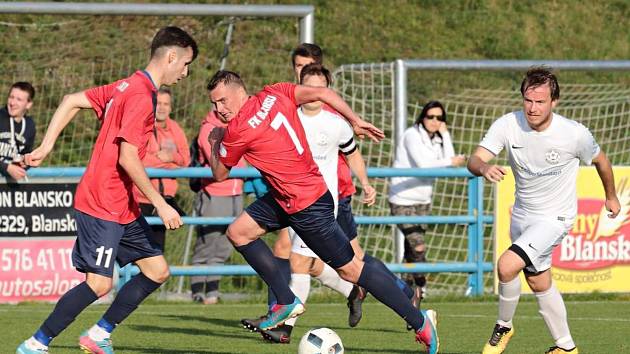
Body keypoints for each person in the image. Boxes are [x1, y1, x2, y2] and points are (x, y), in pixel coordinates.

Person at [206, 69, 439, 353]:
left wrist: (214, 140)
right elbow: (323, 93)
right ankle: (286, 300)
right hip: (292, 195)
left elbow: (218, 173)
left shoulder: (237, 130)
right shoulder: (274, 91)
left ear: (238, 91)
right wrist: (354, 120)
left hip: (307, 206)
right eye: (214, 104)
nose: (218, 109)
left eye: (222, 101)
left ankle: (420, 321)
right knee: (239, 232)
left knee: (353, 270)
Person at [17, 26, 197, 354]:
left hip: (122, 203)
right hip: (102, 201)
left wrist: (46, 146)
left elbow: (72, 100)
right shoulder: (141, 96)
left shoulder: (128, 85)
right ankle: (36, 343)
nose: (185, 72)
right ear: (171, 57)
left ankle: (98, 334)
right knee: (100, 283)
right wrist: (160, 203)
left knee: (157, 270)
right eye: (185, 64)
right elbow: (128, 157)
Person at [468, 66, 620, 354]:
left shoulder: (574, 133)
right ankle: (566, 347)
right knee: (539, 282)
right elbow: (475, 160)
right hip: (522, 217)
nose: (533, 108)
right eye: (528, 100)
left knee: (506, 265)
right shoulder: (507, 125)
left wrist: (610, 196)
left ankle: (504, 326)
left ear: (554, 102)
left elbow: (601, 160)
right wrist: (484, 167)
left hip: (555, 219)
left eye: (540, 102)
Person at [258, 64, 376, 343]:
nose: (313, 94)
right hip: (290, 200)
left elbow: (353, 154)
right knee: (310, 264)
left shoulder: (336, 124)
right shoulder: (288, 119)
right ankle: (353, 291)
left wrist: (366, 182)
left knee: (298, 261)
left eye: (319, 89)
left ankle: (284, 328)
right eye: (308, 87)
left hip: (319, 204)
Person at [389, 100, 466, 307]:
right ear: (423, 117)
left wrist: (446, 134)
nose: (434, 121)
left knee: (410, 253)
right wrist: (451, 161)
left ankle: (405, 300)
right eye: (430, 117)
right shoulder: (411, 135)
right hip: (403, 200)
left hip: (424, 200)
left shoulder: (438, 138)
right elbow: (424, 165)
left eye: (439, 118)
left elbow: (449, 160)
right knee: (419, 247)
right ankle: (421, 289)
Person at [190, 109, 246, 305]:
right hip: (214, 193)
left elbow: (247, 161)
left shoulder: (238, 126)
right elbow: (219, 164)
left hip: (236, 193)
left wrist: (238, 163)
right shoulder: (209, 129)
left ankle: (212, 292)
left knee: (224, 247)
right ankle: (197, 292)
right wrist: (238, 162)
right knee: (207, 245)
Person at [135, 87, 190, 251]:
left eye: (166, 104)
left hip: (164, 202)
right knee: (137, 252)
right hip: (141, 200)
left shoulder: (175, 129)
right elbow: (137, 160)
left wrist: (171, 157)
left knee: (157, 251)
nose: (162, 107)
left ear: (171, 107)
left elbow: (185, 160)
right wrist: (168, 162)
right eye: (158, 103)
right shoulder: (140, 127)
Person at [0, 82, 36, 181]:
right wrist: (6, 167)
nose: (12, 103)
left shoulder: (29, 125)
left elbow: (27, 153)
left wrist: (24, 164)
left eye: (19, 99)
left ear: (28, 104)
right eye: (11, 97)